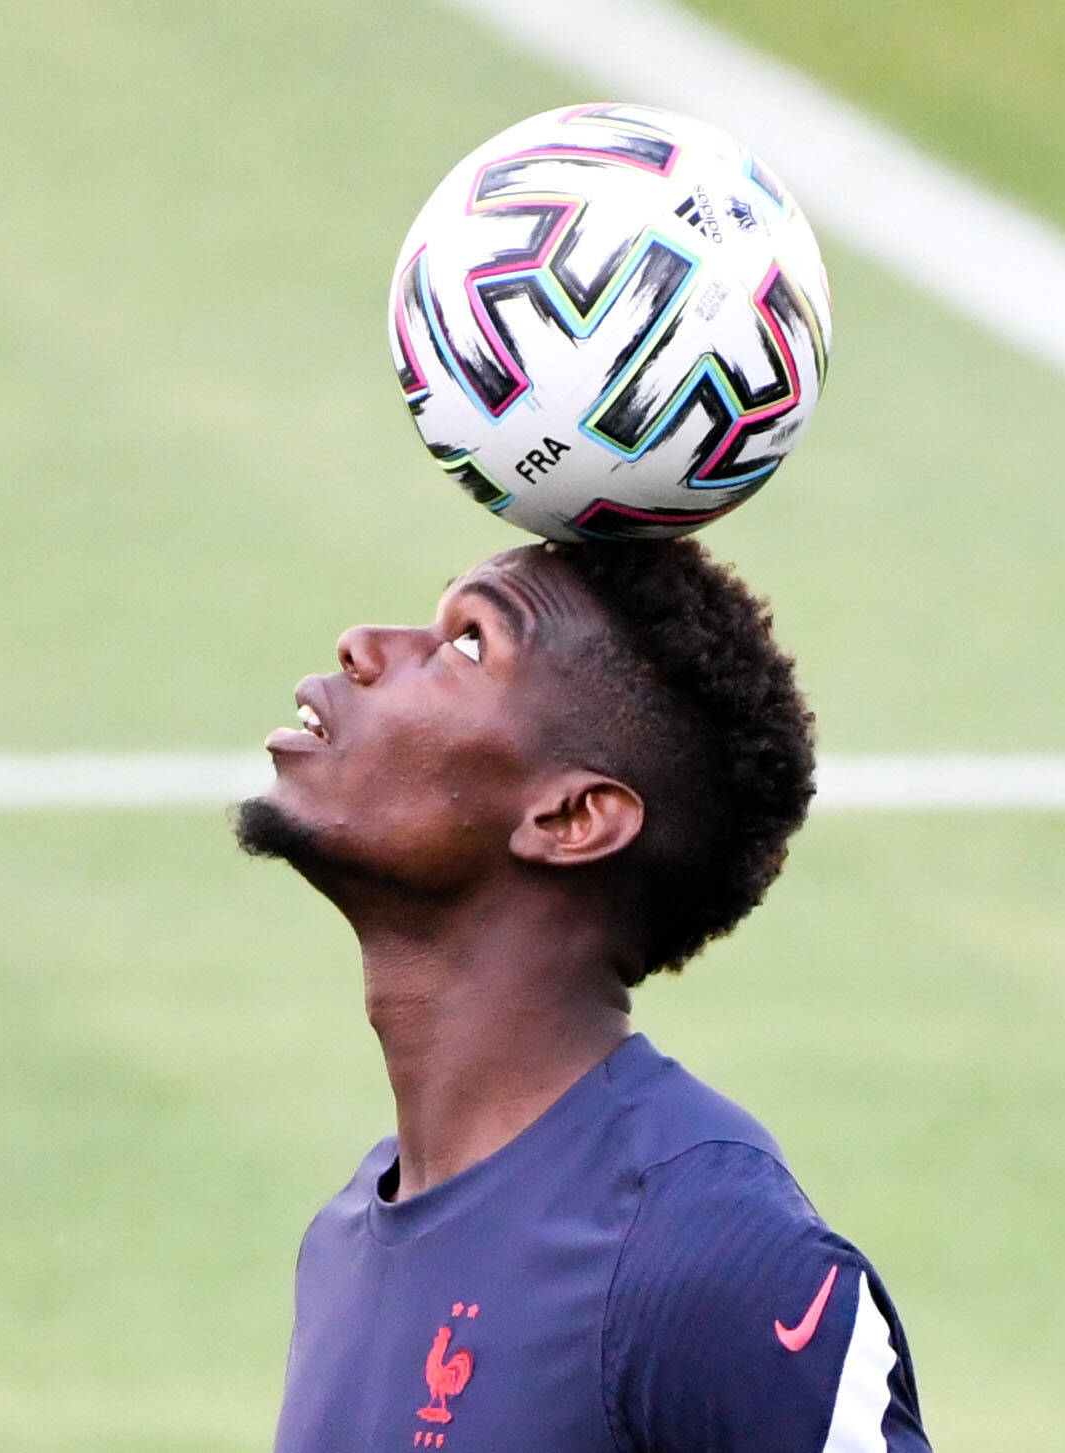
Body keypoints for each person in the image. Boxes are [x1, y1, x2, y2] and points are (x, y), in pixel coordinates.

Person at [237, 537, 931, 1452]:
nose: (364, 643)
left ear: (571, 817)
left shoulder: (707, 1257)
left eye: (469, 643)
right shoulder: (345, 1237)